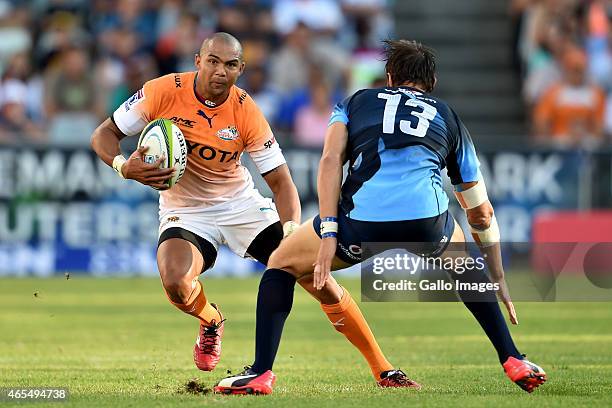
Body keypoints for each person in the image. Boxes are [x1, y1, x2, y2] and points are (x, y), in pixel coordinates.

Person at [217, 39, 547, 395]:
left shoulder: (356, 101)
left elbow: (330, 162)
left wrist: (329, 233)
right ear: (431, 84)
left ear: (389, 77)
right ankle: (512, 358)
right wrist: (495, 275)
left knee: (281, 263)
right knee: (463, 261)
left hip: (362, 221)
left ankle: (262, 373)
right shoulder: (448, 116)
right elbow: (481, 211)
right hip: (426, 220)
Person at [90, 32, 302, 372]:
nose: (220, 71)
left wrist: (291, 232)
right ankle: (211, 319)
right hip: (184, 210)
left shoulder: (245, 109)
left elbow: (281, 183)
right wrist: (122, 165)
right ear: (197, 61)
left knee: (310, 273)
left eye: (229, 64)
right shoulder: (161, 90)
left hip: (239, 205)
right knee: (175, 283)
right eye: (213, 61)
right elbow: (103, 134)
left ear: (240, 69)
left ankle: (382, 368)